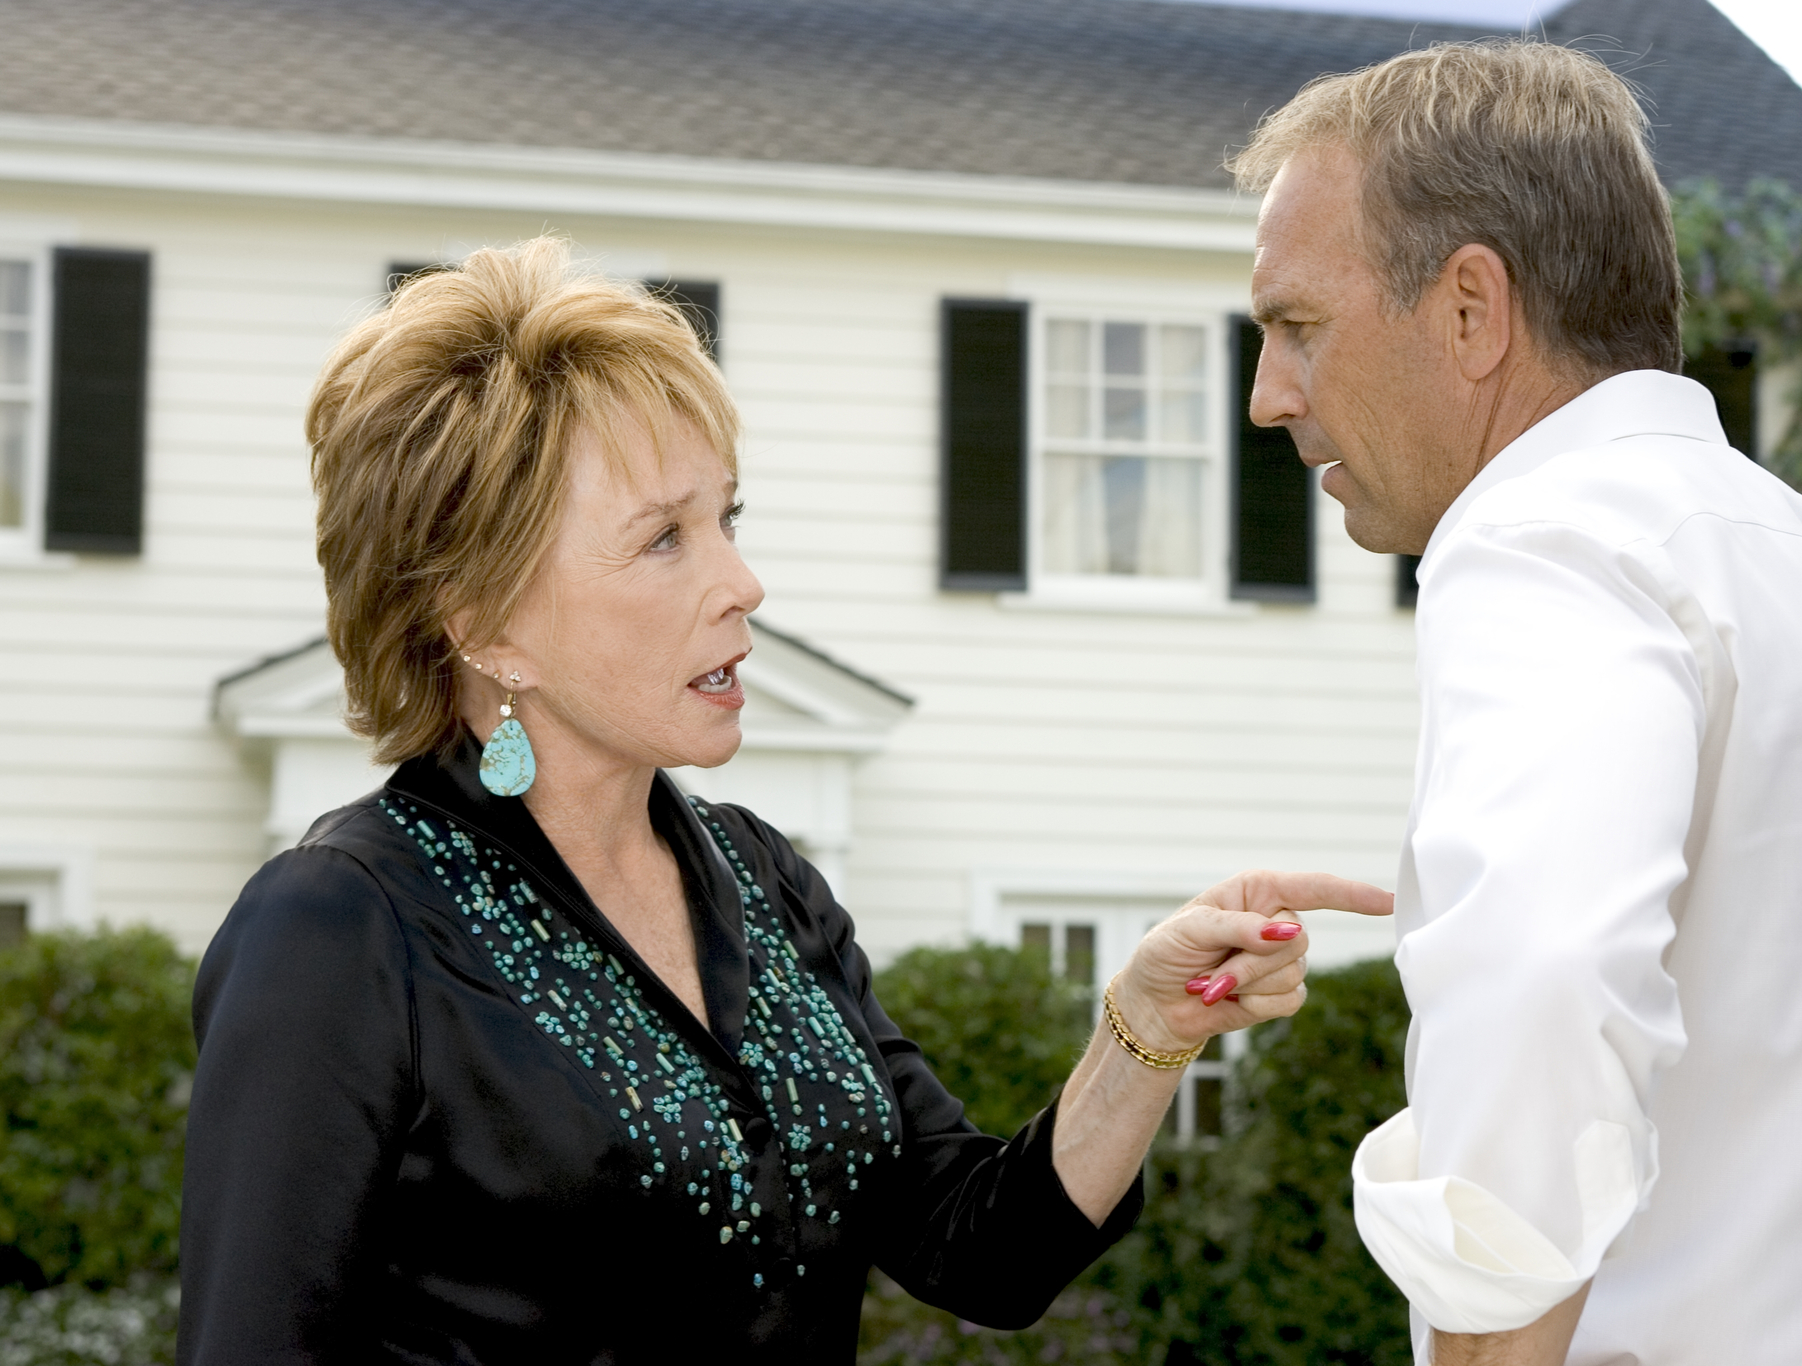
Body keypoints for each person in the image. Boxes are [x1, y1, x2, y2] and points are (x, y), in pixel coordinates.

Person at [175, 239, 1390, 1363]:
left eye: (728, 519)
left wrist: (1145, 1030)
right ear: (485, 623)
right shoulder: (339, 928)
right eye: (663, 540)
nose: (743, 583)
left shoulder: (761, 880)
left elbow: (981, 1248)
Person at [1232, 39, 1802, 1366]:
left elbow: (1545, 977)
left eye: (1299, 326)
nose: (1271, 396)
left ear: (1470, 310)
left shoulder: (1546, 540)